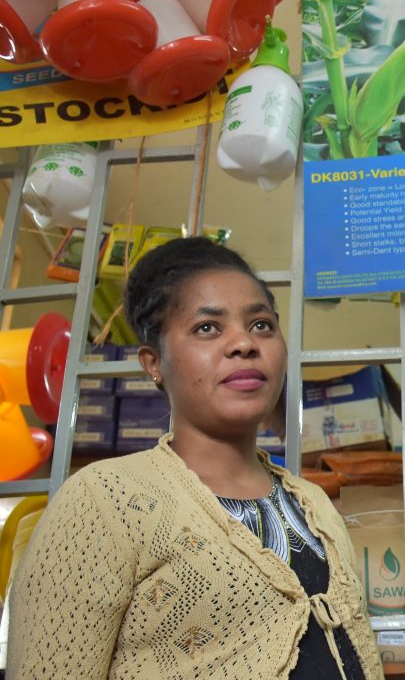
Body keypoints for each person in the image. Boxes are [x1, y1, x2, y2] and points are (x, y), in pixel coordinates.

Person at [7, 237, 382, 679]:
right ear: (153, 363)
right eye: (208, 328)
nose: (244, 343)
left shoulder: (314, 505)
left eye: (261, 325)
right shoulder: (104, 501)